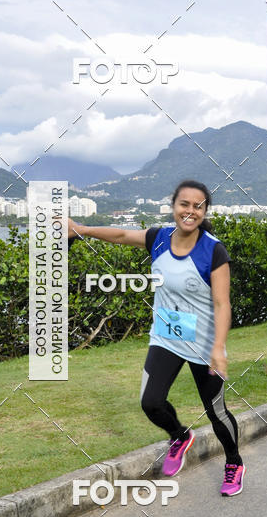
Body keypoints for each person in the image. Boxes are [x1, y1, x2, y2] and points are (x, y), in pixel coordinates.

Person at [67, 180, 244, 496]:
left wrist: (218, 348)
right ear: (173, 205)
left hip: (204, 343)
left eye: (197, 206)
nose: (190, 211)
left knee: (216, 411)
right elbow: (121, 235)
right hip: (167, 337)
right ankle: (179, 435)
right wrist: (81, 229)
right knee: (150, 402)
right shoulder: (159, 238)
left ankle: (234, 462)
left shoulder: (214, 251)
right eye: (184, 204)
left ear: (204, 211)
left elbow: (222, 303)